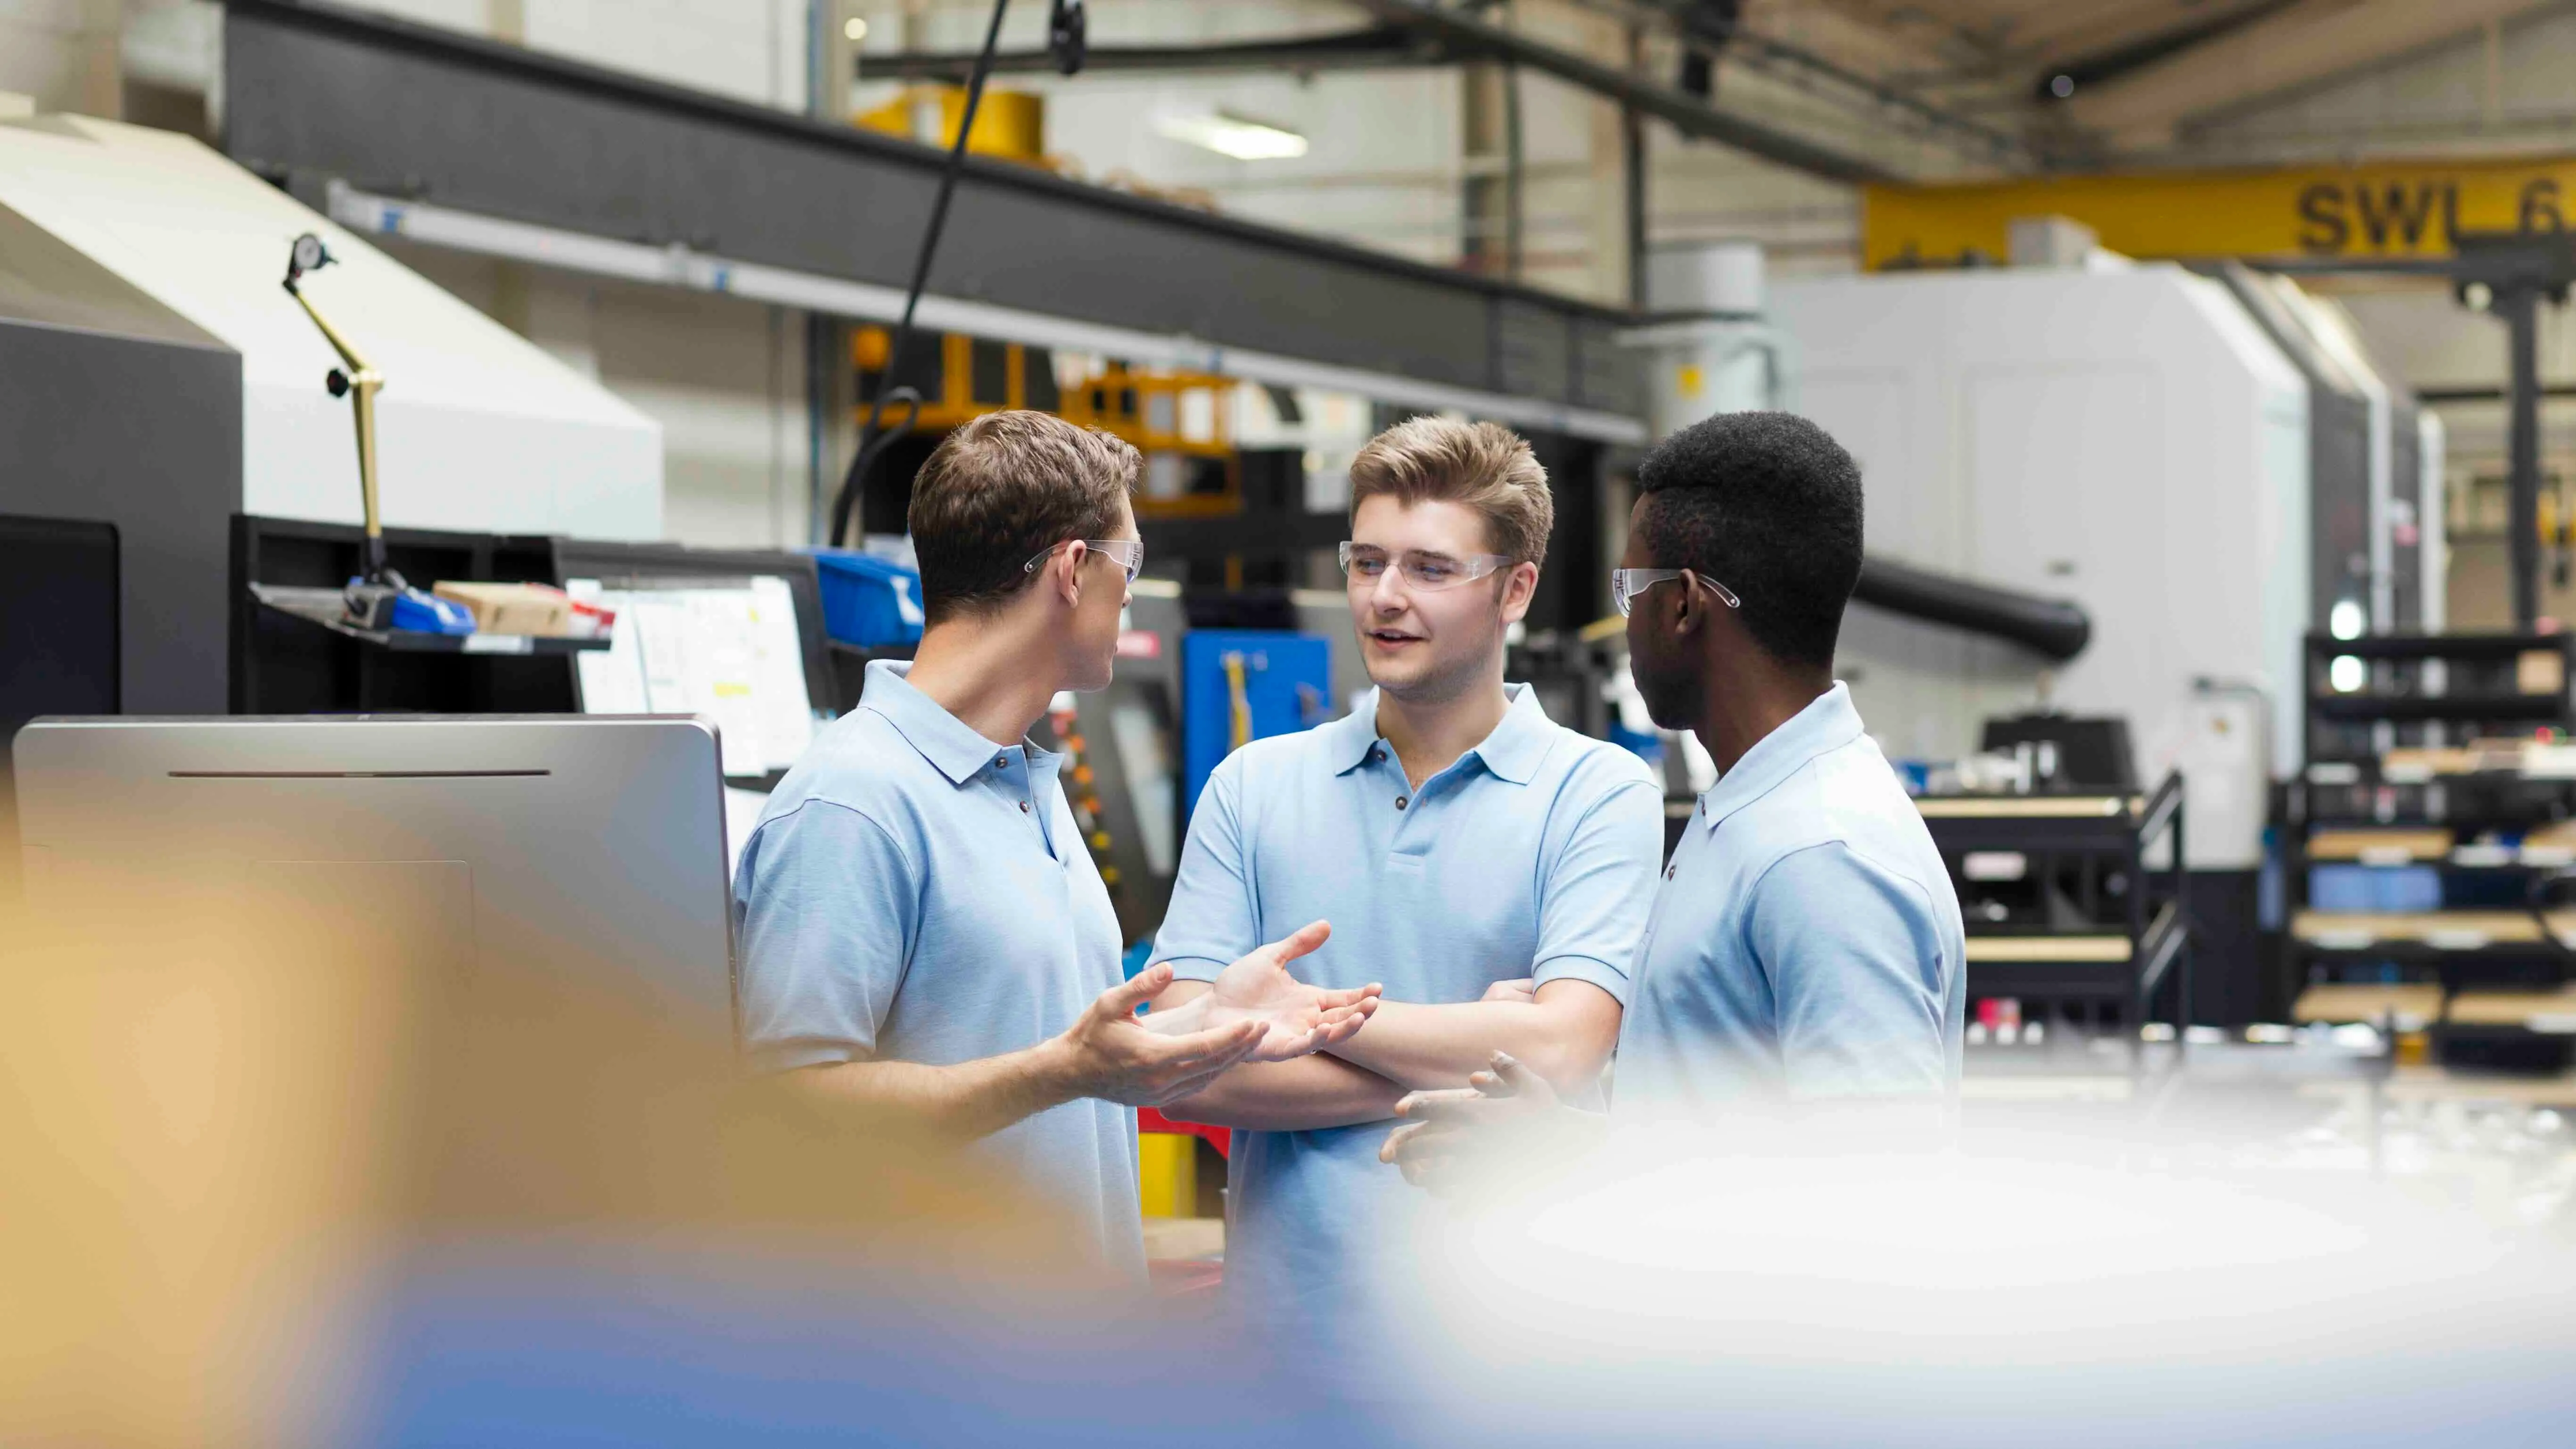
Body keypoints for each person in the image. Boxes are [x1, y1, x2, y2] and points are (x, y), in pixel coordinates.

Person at [732, 411, 1380, 1283]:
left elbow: (1048, 1050)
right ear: (1075, 570)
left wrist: (1205, 1025)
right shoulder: (853, 803)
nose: (1132, 594)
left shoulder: (1027, 783)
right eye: (1131, 564)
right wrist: (1063, 1070)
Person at [1148, 417, 1664, 1342]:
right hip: (1286, 1359)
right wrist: (1472, 1045)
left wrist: (1289, 1025)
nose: (1384, 596)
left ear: (1515, 588)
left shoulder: (1597, 792)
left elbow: (1559, 1054)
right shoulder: (1251, 786)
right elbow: (1182, 1070)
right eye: (1366, 561)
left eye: (1429, 568)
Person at [1383, 410, 1967, 1181]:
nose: (1627, 624)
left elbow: (1878, 1191)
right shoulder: (1752, 812)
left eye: (1632, 589)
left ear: (1684, 604)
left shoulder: (1821, 857)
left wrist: (1571, 1157)